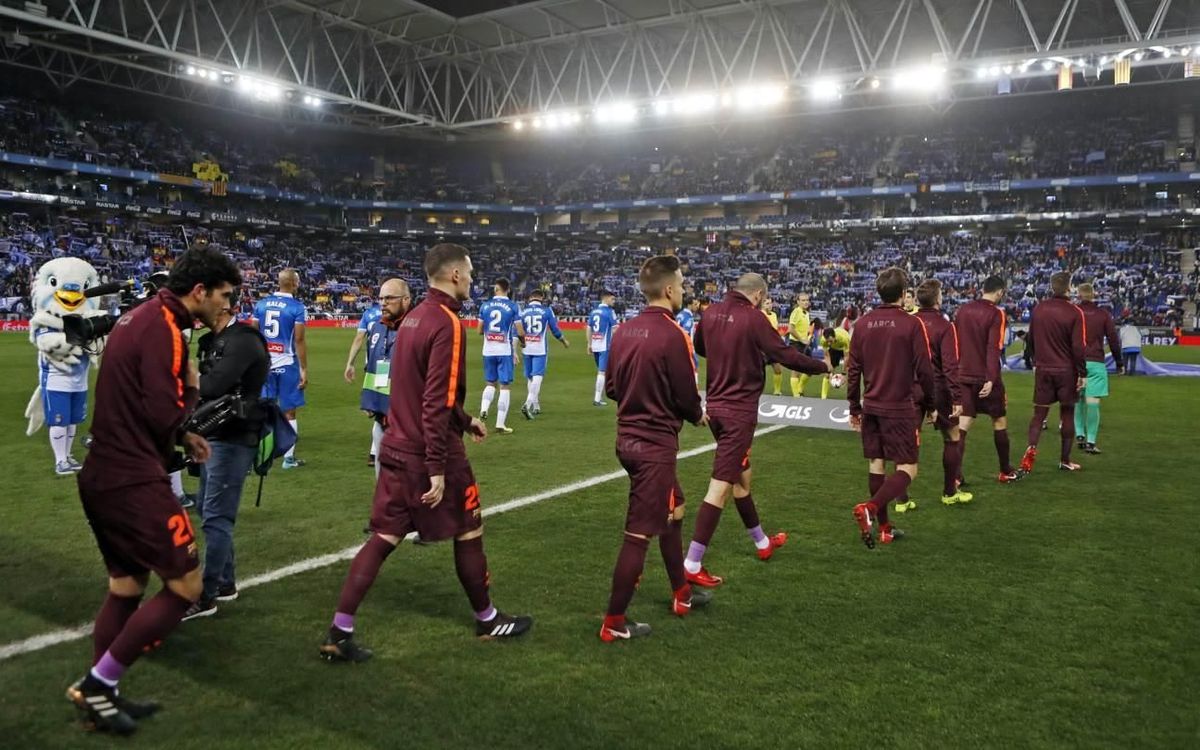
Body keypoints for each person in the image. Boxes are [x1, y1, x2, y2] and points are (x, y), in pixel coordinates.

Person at [320, 244, 532, 664]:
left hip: (397, 445)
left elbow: (418, 389)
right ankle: (487, 617)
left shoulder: (412, 319)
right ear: (454, 275)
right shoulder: (446, 322)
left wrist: (466, 418)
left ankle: (338, 631)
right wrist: (437, 466)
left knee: (384, 535)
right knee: (469, 527)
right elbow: (433, 399)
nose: (472, 279)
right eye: (469, 272)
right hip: (429, 451)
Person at [68, 247, 240, 735]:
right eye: (224, 296)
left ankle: (102, 696)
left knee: (126, 586)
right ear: (200, 291)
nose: (226, 307)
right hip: (132, 478)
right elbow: (163, 410)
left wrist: (183, 436)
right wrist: (190, 390)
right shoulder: (166, 329)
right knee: (186, 586)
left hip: (102, 472)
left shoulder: (138, 317)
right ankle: (99, 684)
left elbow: (139, 402)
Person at [683, 273, 829, 587]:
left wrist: (740, 355)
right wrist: (822, 367)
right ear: (759, 294)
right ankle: (692, 562)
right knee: (720, 487)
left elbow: (702, 348)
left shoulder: (710, 314)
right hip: (738, 414)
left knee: (742, 480)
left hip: (716, 409)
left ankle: (762, 543)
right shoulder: (755, 318)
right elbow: (786, 355)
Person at [599, 256, 712, 642]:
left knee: (675, 508)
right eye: (680, 286)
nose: (683, 292)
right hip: (654, 447)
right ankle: (613, 622)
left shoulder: (624, 330)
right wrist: (697, 415)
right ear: (668, 290)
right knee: (638, 534)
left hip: (626, 441)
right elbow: (686, 396)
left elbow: (611, 387)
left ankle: (682, 594)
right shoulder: (673, 334)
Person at [183, 289, 271, 620]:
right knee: (209, 510)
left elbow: (214, 385)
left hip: (233, 438)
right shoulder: (212, 340)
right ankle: (225, 583)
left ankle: (204, 596)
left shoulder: (244, 340)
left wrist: (185, 376)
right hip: (212, 434)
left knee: (216, 516)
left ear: (222, 306)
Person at [848, 267, 936, 549]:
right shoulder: (912, 324)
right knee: (908, 469)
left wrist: (854, 406)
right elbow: (925, 369)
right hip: (899, 406)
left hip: (871, 404)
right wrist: (932, 404)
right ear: (903, 294)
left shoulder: (862, 324)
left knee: (877, 464)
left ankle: (885, 529)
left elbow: (853, 370)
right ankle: (871, 509)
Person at [955, 275, 1023, 484]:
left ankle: (955, 476)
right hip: (985, 376)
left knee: (964, 423)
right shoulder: (996, 313)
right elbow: (994, 348)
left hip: (963, 374)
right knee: (999, 420)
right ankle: (1005, 470)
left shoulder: (963, 310)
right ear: (1000, 292)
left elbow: (956, 343)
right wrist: (991, 378)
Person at [1020, 272, 1087, 474]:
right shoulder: (1075, 312)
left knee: (1039, 414)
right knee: (1067, 413)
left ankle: (1030, 450)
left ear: (1052, 287)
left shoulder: (1039, 309)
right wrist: (1082, 373)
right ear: (1069, 288)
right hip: (1066, 371)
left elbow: (1030, 339)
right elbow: (1078, 346)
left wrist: (1033, 361)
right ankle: (1065, 460)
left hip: (1043, 368)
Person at [913, 279, 972, 506]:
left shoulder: (909, 322)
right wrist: (957, 396)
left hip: (911, 387)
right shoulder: (945, 326)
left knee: (909, 440)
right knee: (952, 436)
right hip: (938, 388)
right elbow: (950, 365)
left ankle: (901, 498)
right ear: (938, 299)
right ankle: (949, 492)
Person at [254, 269, 308, 469]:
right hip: (287, 364)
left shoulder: (261, 304)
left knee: (261, 409)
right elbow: (300, 340)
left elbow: (253, 333)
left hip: (265, 365)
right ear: (294, 283)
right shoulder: (297, 307)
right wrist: (304, 369)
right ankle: (288, 459)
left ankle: (260, 455)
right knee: (290, 412)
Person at [359, 280, 412, 478]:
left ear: (406, 300)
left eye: (389, 298)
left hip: (408, 425)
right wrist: (370, 400)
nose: (383, 303)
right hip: (382, 420)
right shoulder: (378, 328)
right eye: (380, 298)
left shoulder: (418, 329)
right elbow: (374, 366)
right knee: (383, 483)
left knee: (408, 483)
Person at [1074, 283, 1123, 454]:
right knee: (1092, 401)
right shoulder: (1103, 314)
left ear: (1079, 295)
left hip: (1075, 362)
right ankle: (1091, 441)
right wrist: (1119, 362)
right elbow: (1113, 339)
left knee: (1077, 399)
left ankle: (1079, 434)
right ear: (1093, 295)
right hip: (1096, 361)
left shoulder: (1073, 312)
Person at [478, 278, 525, 435]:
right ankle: (500, 424)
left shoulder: (485, 305)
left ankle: (483, 410)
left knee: (490, 383)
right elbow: (520, 330)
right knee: (505, 386)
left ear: (497, 289)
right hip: (504, 351)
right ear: (508, 289)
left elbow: (479, 330)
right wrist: (523, 342)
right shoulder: (512, 306)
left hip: (488, 351)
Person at [344, 299, 384, 466]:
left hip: (372, 367)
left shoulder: (369, 314)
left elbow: (359, 339)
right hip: (386, 366)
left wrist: (350, 363)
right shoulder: (401, 314)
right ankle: (375, 453)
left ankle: (375, 453)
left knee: (378, 411)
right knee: (384, 412)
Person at [519, 289, 568, 420]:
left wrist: (518, 345)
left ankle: (536, 406)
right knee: (538, 377)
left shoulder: (522, 312)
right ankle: (528, 404)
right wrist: (563, 341)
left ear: (530, 297)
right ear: (541, 297)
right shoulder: (547, 311)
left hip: (526, 348)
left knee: (530, 377)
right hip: (540, 349)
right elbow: (555, 329)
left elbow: (518, 330)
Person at [588, 291, 619, 406]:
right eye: (612, 299)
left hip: (595, 345)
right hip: (605, 346)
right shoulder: (610, 312)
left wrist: (589, 344)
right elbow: (615, 329)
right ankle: (597, 399)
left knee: (603, 371)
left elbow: (589, 328)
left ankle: (602, 396)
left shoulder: (593, 311)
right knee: (602, 372)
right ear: (606, 299)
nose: (613, 301)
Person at [786, 292, 813, 396]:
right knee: (796, 370)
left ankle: (800, 388)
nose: (806, 302)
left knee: (810, 369)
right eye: (803, 300)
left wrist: (807, 338)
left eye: (807, 300)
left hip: (804, 344)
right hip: (796, 344)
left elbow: (802, 329)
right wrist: (802, 339)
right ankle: (796, 396)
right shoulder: (796, 312)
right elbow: (791, 329)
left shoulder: (806, 313)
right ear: (798, 302)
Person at [820, 325, 852, 399]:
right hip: (834, 349)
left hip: (845, 348)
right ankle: (823, 398)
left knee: (850, 371)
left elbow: (846, 356)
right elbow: (826, 355)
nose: (829, 343)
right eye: (827, 341)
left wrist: (843, 373)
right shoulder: (823, 340)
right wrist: (829, 367)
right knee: (827, 372)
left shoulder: (844, 338)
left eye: (830, 341)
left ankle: (851, 396)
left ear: (834, 337)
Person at [675, 294, 702, 383]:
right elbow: (685, 334)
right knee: (694, 365)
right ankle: (694, 389)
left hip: (678, 348)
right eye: (695, 304)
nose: (697, 306)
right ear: (689, 305)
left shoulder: (680, 315)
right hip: (687, 348)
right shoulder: (688, 318)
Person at [762, 297, 784, 396]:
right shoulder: (760, 314)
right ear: (762, 305)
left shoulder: (774, 315)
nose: (769, 305)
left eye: (770, 303)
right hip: (762, 348)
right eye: (767, 303)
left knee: (778, 369)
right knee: (758, 372)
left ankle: (777, 391)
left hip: (773, 347)